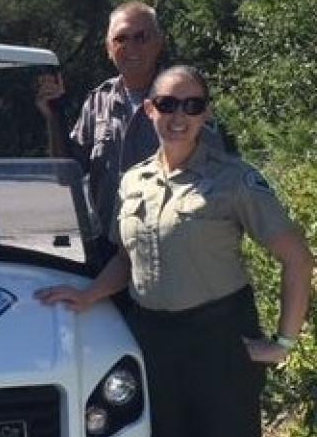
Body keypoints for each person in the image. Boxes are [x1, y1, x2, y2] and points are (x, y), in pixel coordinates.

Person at [34, 66, 314, 437]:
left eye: (192, 105)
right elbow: (125, 259)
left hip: (218, 342)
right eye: (167, 104)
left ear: (206, 113)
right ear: (150, 109)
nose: (178, 116)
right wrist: (88, 296)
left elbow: (297, 257)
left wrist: (282, 344)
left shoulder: (233, 179)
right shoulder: (134, 180)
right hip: (152, 343)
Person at [35, 1, 226, 265]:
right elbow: (66, 173)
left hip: (169, 251)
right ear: (108, 49)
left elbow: (217, 176)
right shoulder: (98, 101)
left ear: (159, 43)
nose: (131, 47)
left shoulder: (185, 98)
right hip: (106, 250)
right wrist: (52, 117)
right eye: (121, 39)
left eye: (141, 37)